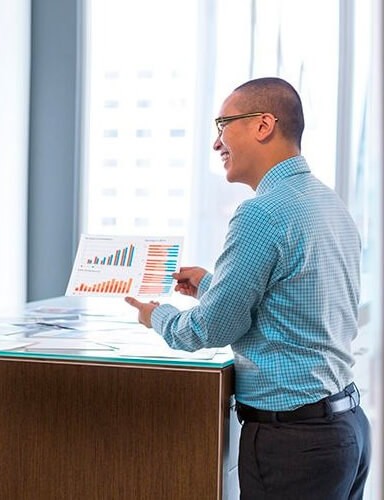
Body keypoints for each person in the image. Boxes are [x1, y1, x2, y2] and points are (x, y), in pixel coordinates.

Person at [125, 77, 370, 499]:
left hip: (294, 444)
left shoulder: (261, 213)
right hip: (345, 430)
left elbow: (206, 331)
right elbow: (294, 304)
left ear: (263, 125)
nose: (217, 143)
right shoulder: (327, 203)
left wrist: (155, 315)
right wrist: (209, 286)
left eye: (223, 125)